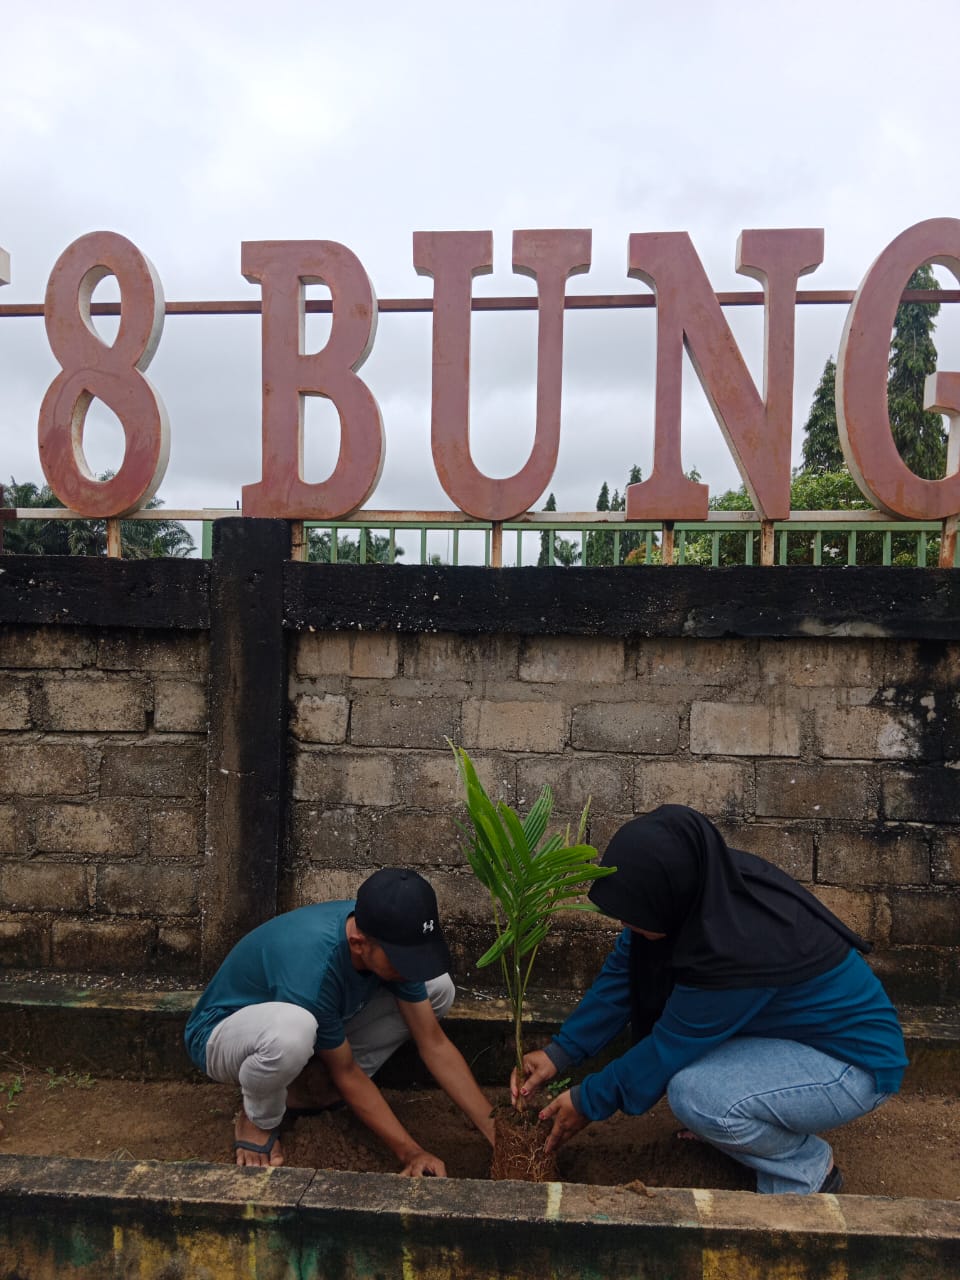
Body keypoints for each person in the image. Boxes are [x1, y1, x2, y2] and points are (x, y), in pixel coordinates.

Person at [512, 805, 908, 1195]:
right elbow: (624, 974)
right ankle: (739, 1122)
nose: (625, 926)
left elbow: (668, 1047)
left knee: (696, 1095)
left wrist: (587, 1100)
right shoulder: (702, 890)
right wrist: (561, 1053)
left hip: (851, 1067)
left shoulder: (736, 949)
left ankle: (806, 1170)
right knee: (693, 1084)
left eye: (634, 917)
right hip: (790, 1038)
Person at [185, 867, 495, 1173]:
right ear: (359, 943)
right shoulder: (314, 969)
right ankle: (257, 1119)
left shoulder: (388, 932)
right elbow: (346, 1071)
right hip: (221, 1034)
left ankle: (309, 1088)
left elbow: (434, 1043)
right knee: (293, 1032)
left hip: (303, 1017)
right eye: (404, 960)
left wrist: (496, 1131)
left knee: (438, 987)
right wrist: (411, 1152)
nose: (411, 966)